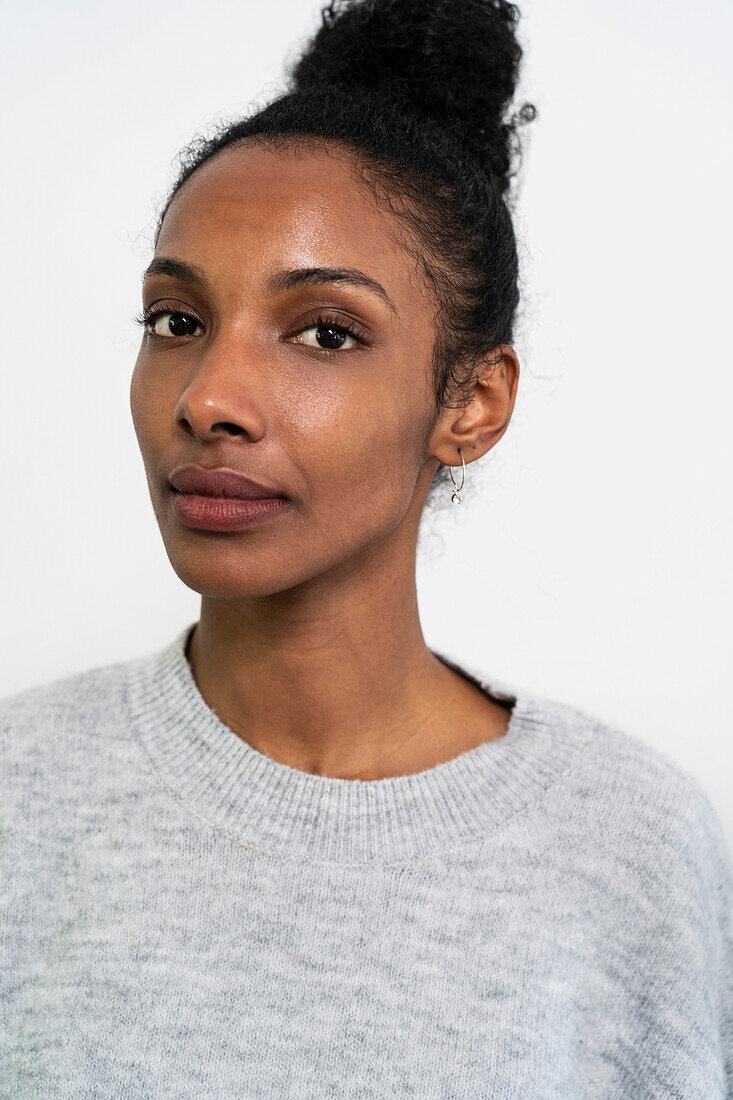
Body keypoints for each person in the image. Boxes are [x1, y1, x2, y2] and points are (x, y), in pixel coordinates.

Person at [1, 0, 731, 1095]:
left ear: (471, 403)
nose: (207, 399)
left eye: (325, 332)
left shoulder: (633, 848)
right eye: (175, 321)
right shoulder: (20, 796)